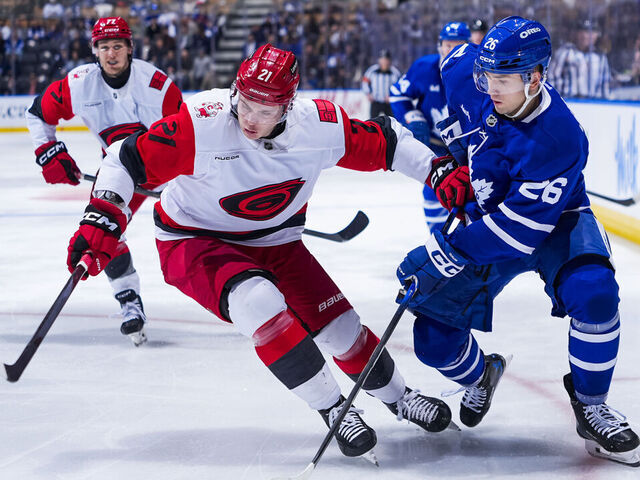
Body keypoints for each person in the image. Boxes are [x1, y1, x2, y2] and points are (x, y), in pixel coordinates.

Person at [63, 43, 454, 459]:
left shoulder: (320, 126)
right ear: (235, 89)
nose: (250, 118)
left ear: (289, 107)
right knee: (260, 302)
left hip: (277, 241)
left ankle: (399, 397)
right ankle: (335, 408)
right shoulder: (204, 122)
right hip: (194, 241)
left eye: (266, 111)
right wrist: (101, 216)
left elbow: (387, 143)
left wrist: (438, 172)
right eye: (246, 102)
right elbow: (125, 161)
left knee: (342, 327)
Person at [396, 16, 640, 466]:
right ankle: (480, 375)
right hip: (489, 216)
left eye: (504, 79)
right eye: (486, 76)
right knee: (433, 340)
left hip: (554, 220)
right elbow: (457, 135)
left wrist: (445, 252)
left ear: (535, 77)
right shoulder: (462, 72)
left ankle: (592, 405)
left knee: (596, 296)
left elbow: (519, 232)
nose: (490, 88)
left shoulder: (560, 137)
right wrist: (451, 167)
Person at [26, 17, 183, 346]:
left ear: (130, 48)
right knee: (103, 229)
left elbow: (187, 137)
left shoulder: (156, 85)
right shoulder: (79, 83)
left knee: (212, 223)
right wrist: (49, 151)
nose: (111, 53)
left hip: (167, 166)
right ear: (94, 51)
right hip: (118, 167)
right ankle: (129, 302)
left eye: (117, 46)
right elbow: (38, 113)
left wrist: (186, 186)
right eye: (103, 47)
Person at [389, 21, 470, 232]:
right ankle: (436, 236)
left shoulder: (477, 71)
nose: (450, 50)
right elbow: (398, 93)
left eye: (457, 45)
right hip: (436, 144)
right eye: (447, 44)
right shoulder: (424, 68)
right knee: (436, 187)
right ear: (439, 45)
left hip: (470, 148)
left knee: (471, 193)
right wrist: (412, 116)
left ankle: (469, 238)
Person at [548, 19, 611, 99]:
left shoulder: (601, 57)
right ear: (576, 34)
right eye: (582, 31)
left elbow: (605, 84)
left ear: (596, 35)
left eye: (591, 32)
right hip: (568, 102)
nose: (585, 36)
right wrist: (556, 102)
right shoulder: (565, 52)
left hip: (595, 105)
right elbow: (552, 78)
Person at [361, 49, 402, 117]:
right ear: (379, 60)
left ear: (389, 61)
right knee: (373, 123)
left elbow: (399, 87)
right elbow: (365, 82)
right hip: (375, 102)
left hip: (389, 103)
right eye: (382, 60)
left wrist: (392, 96)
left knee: (391, 122)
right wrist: (368, 94)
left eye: (386, 60)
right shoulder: (372, 70)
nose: (384, 62)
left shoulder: (395, 72)